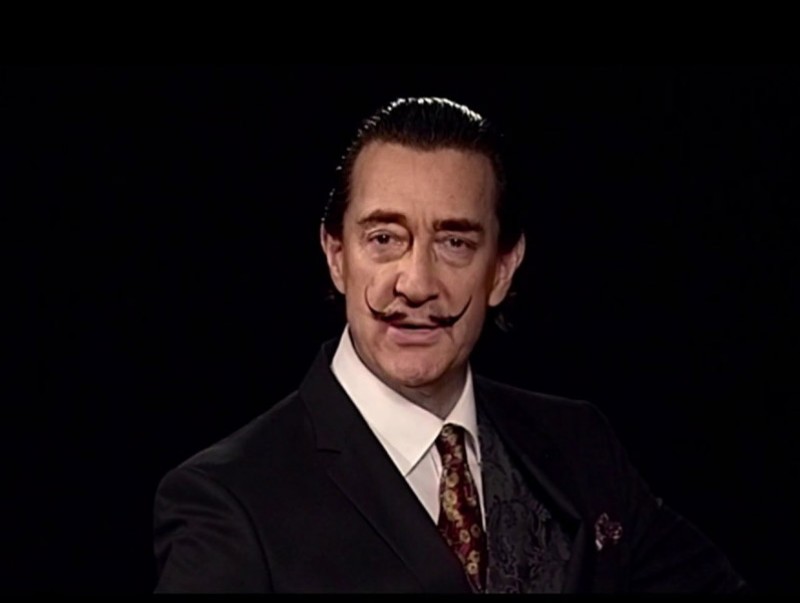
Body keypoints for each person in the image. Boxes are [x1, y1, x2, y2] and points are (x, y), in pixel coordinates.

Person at [152, 97, 748, 593]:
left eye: (455, 243)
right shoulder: (231, 499)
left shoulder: (579, 445)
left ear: (503, 268)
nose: (416, 283)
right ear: (336, 256)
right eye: (384, 238)